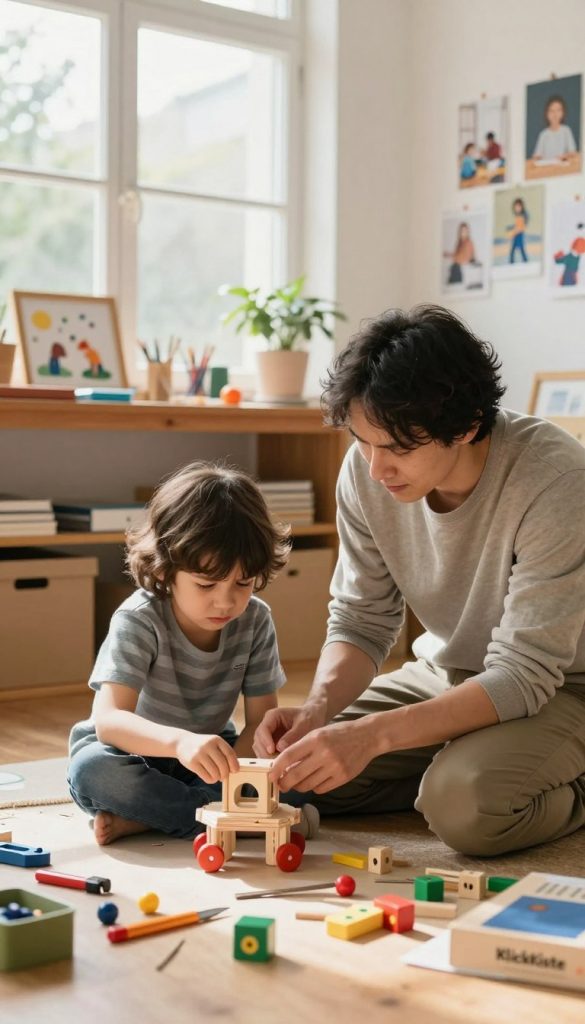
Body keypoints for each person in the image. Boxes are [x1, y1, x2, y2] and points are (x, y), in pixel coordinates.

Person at [253, 305, 585, 858]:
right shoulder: (366, 472)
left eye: (397, 449)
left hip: (564, 686)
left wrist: (373, 737)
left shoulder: (556, 481)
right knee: (291, 772)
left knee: (464, 808)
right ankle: (452, 766)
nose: (375, 468)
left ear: (467, 425)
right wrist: (316, 711)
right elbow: (361, 620)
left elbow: (523, 675)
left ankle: (505, 777)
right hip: (448, 673)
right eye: (363, 441)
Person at [68, 462, 319, 846]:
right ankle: (232, 819)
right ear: (165, 570)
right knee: (93, 772)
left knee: (296, 777)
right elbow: (110, 721)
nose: (226, 601)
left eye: (243, 583)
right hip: (132, 754)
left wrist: (243, 771)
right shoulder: (139, 619)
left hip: (209, 757)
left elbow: (260, 724)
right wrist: (179, 744)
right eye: (206, 584)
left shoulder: (255, 620)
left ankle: (154, 818)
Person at [533, 94, 577, 162]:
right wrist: (537, 157)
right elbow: (537, 155)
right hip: (546, 166)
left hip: (562, 165)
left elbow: (573, 153)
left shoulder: (566, 130)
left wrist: (564, 156)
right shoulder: (543, 134)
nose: (555, 114)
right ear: (547, 114)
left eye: (558, 110)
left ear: (563, 113)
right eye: (551, 111)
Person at [507, 197, 529, 263]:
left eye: (518, 207)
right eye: (516, 207)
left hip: (519, 235)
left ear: (521, 207)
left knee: (521, 248)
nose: (517, 208)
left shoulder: (523, 216)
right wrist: (512, 229)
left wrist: (516, 230)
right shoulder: (517, 215)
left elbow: (522, 227)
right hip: (516, 234)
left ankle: (525, 260)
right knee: (513, 249)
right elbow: (516, 225)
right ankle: (512, 261)